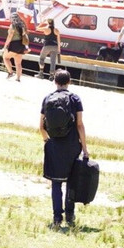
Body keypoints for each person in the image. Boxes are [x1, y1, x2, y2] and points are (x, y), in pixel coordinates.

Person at [40, 69, 87, 229]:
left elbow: (41, 126)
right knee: (71, 182)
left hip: (54, 144)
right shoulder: (75, 98)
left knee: (56, 183)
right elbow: (79, 125)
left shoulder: (48, 98)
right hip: (72, 144)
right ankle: (70, 214)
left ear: (55, 81)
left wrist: (48, 141)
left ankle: (57, 217)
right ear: (70, 82)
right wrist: (85, 149)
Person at [3, 15, 28, 81]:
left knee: (5, 58)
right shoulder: (22, 26)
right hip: (21, 45)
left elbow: (10, 36)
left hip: (14, 44)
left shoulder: (13, 25)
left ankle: (10, 72)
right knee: (18, 63)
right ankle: (18, 78)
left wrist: (5, 45)